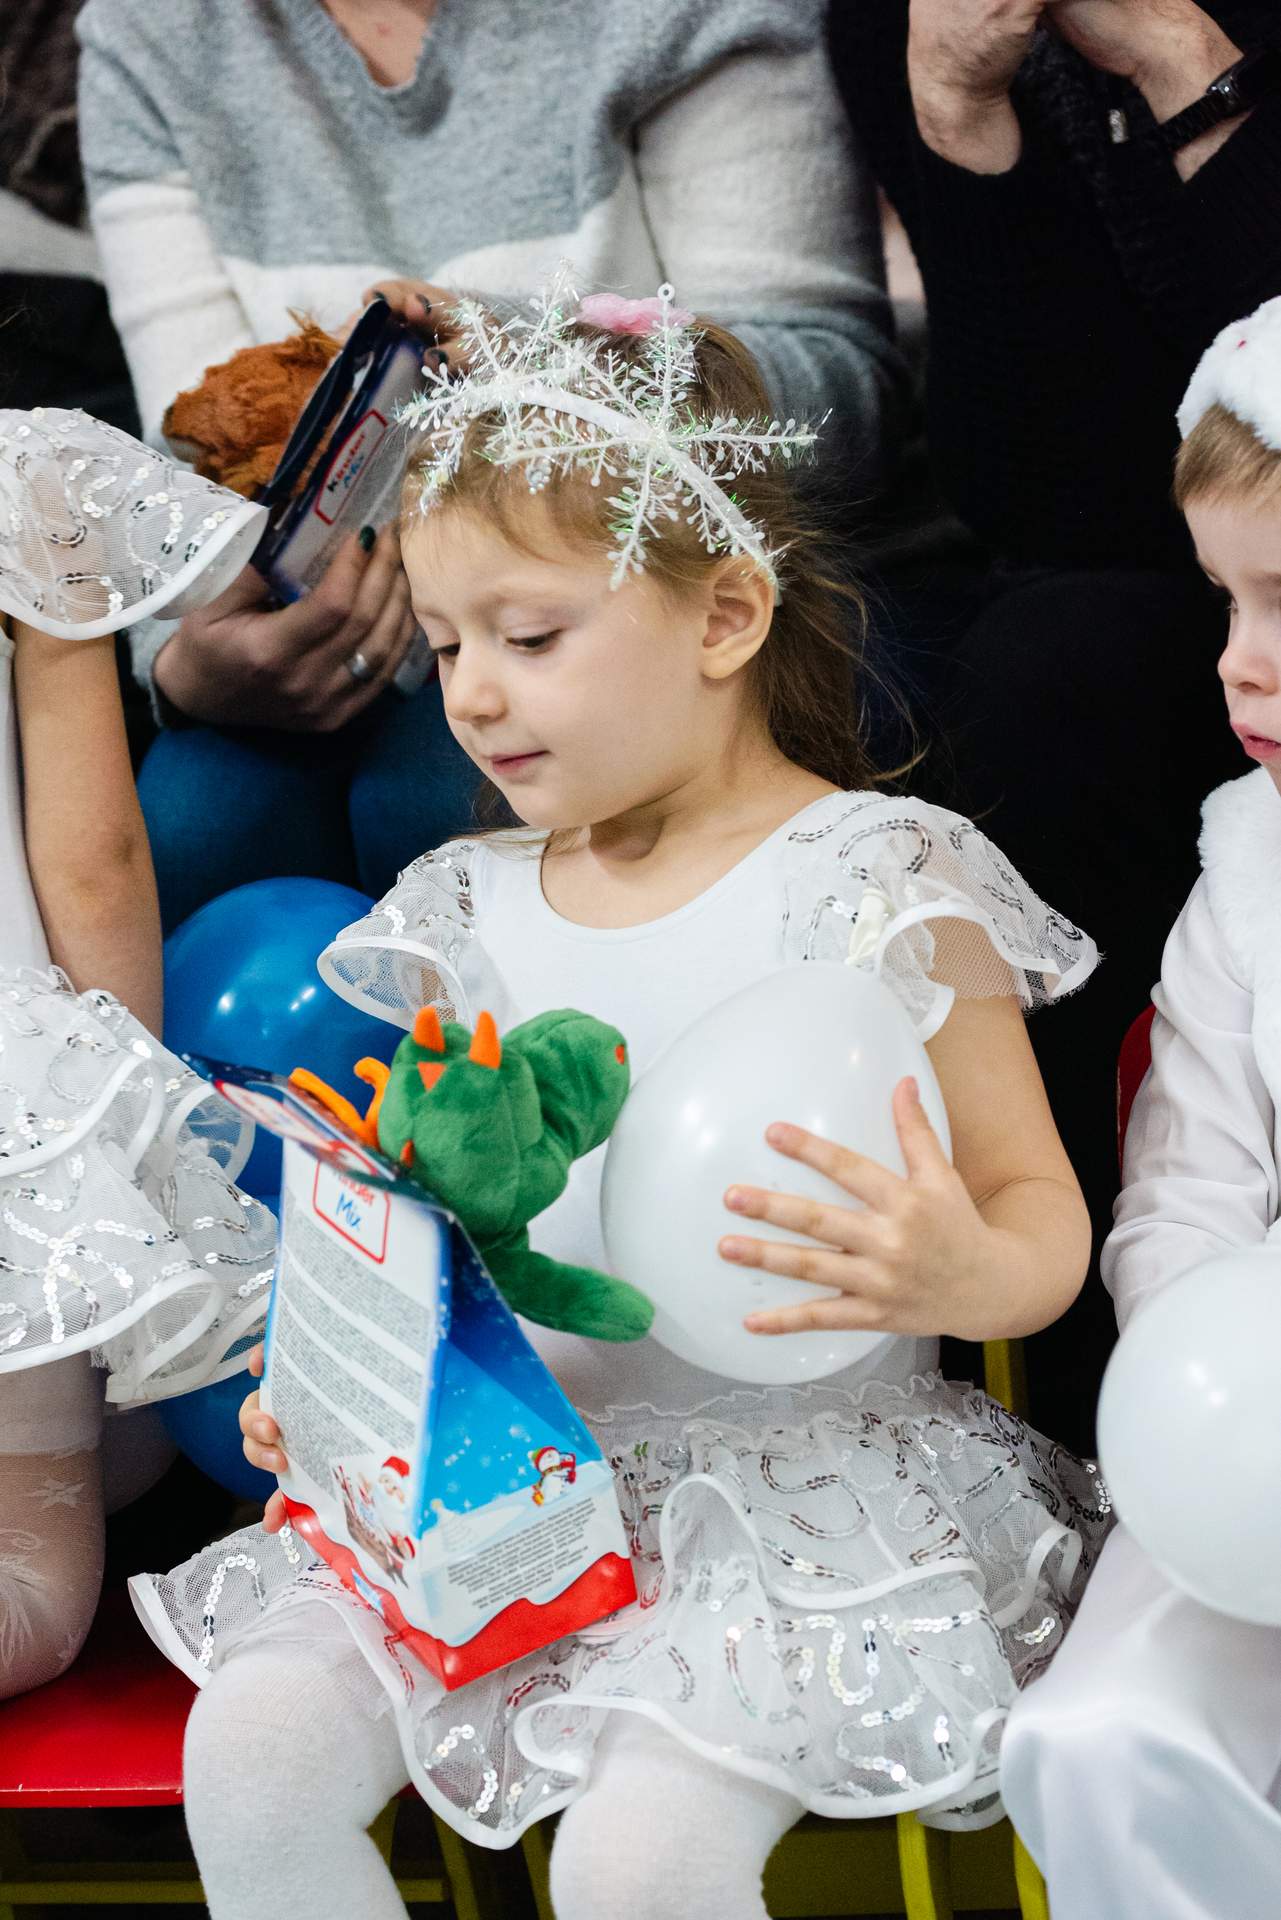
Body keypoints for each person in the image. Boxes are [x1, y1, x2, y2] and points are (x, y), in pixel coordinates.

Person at [128, 285, 1110, 1920]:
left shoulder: (877, 877)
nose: (472, 697)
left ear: (723, 618)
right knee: (252, 1750)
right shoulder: (460, 906)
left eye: (529, 639)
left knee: (638, 1863)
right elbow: (431, 1231)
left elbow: (1042, 1222)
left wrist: (963, 1271)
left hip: (797, 1514)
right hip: (510, 1488)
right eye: (448, 647)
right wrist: (341, 1388)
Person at [74, 0, 904, 930]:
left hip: (630, 584)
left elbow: (836, 402)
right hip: (330, 629)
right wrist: (182, 665)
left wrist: (541, 360)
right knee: (192, 829)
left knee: (446, 807)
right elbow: (190, 456)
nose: (465, 696)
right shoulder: (153, 30)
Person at [827, 0, 1281, 1450]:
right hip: (1155, 579)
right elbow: (1040, 498)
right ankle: (1079, 1376)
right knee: (1040, 675)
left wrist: (1183, 66)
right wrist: (964, 125)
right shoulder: (902, 23)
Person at [999, 298, 1281, 1919]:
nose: (1237, 659)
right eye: (1225, 597)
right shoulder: (1244, 864)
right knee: (1100, 1735)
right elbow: (1180, 1192)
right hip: (1260, 1425)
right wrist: (1218, 1397)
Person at [0, 407, 282, 1699]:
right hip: (19, 1144)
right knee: (32, 1584)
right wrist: (124, 1142)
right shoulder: (24, 478)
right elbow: (93, 863)